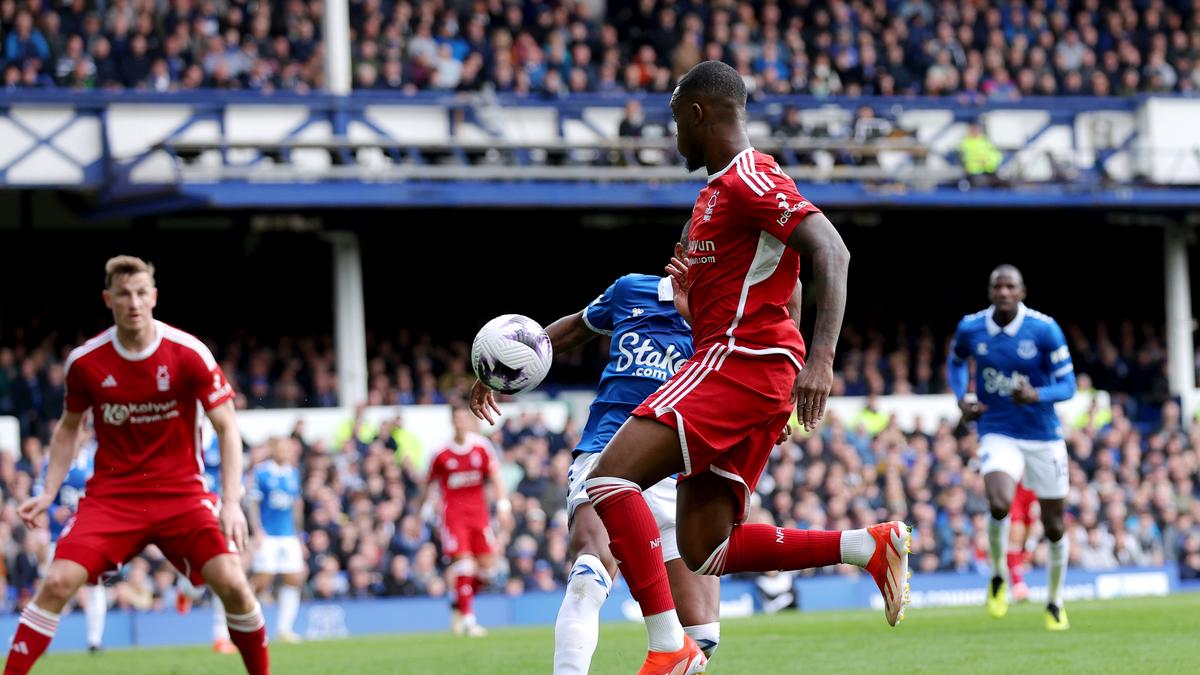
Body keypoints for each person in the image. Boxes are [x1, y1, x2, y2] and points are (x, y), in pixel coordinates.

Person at [581, 61, 909, 674]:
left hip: (739, 361)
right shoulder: (713, 197)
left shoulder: (750, 176)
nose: (674, 136)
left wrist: (819, 361)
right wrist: (698, 307)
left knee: (607, 479)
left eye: (677, 121)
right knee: (703, 549)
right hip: (750, 367)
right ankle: (866, 545)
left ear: (699, 114)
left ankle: (667, 646)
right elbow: (782, 281)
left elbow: (829, 249)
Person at [471, 223, 801, 673]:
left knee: (702, 638)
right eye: (709, 251)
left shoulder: (730, 325)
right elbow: (570, 331)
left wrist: (774, 410)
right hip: (608, 453)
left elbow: (787, 305)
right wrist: (507, 362)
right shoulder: (631, 291)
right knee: (590, 572)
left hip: (679, 472)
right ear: (683, 251)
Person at [7, 255, 269, 675]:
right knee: (56, 583)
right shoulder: (86, 362)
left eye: (142, 292)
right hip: (113, 497)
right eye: (124, 294)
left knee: (234, 584)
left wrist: (232, 502)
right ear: (108, 299)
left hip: (182, 494)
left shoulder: (188, 353)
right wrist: (49, 491)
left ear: (154, 297)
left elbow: (227, 427)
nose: (134, 302)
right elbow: (67, 429)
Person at [947, 264, 1076, 631]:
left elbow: (1068, 386)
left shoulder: (1044, 329)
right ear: (990, 292)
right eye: (997, 287)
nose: (1003, 292)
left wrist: (1037, 394)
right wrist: (962, 398)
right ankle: (999, 575)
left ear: (1022, 292)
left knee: (1053, 526)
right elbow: (956, 362)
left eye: (1010, 287)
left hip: (1043, 436)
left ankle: (1054, 600)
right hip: (997, 428)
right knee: (999, 502)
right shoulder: (971, 327)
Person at [415, 406, 509, 637]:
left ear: (469, 421)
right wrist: (422, 509)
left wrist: (504, 505)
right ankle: (468, 620)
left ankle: (459, 603)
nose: (461, 422)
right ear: (452, 421)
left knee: (488, 570)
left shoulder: (481, 447)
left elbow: (496, 477)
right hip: (454, 517)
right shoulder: (441, 452)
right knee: (464, 565)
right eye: (457, 418)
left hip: (479, 515)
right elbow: (428, 484)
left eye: (464, 418)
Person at [32, 425, 107, 653]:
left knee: (94, 586)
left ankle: (95, 640)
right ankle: (37, 641)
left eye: (79, 433)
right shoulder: (52, 462)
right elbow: (39, 491)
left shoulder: (94, 462)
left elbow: (105, 494)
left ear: (84, 436)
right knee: (50, 588)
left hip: (87, 537)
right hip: (58, 536)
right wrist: (53, 510)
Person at [249, 437, 305, 643]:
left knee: (294, 579)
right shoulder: (262, 472)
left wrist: (300, 535)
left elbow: (296, 506)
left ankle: (284, 629)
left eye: (288, 448)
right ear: (273, 449)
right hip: (268, 535)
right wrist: (257, 530)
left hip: (288, 535)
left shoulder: (293, 473)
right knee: (263, 580)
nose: (285, 452)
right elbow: (253, 503)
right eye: (281, 448)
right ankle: (247, 623)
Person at [1007, 482, 1038, 601]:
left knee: (1030, 528)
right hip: (1013, 485)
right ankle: (1017, 582)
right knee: (1016, 531)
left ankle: (1017, 564)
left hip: (1033, 485)